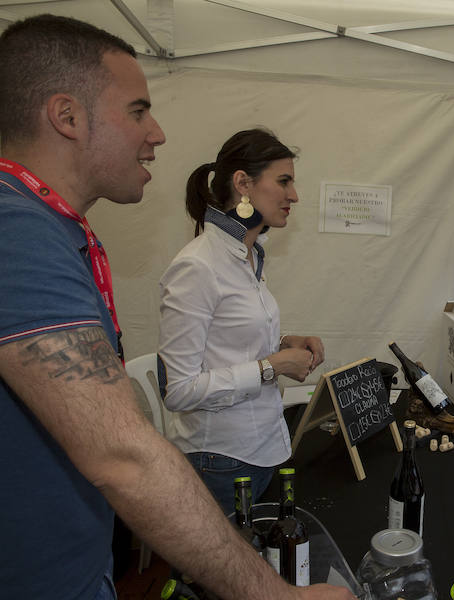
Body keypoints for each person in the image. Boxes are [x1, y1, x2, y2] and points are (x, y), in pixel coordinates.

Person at [0, 15, 352, 600]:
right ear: (66, 116)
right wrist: (271, 368)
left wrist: (281, 344)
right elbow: (143, 430)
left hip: (86, 560)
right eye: (138, 111)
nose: (158, 132)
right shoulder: (22, 235)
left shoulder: (239, 253)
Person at [158, 129, 325, 513]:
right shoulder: (197, 266)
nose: (294, 195)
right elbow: (178, 390)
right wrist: (271, 367)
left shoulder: (248, 255)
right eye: (284, 181)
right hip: (221, 461)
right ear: (243, 184)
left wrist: (284, 344)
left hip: (262, 449)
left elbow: (229, 343)